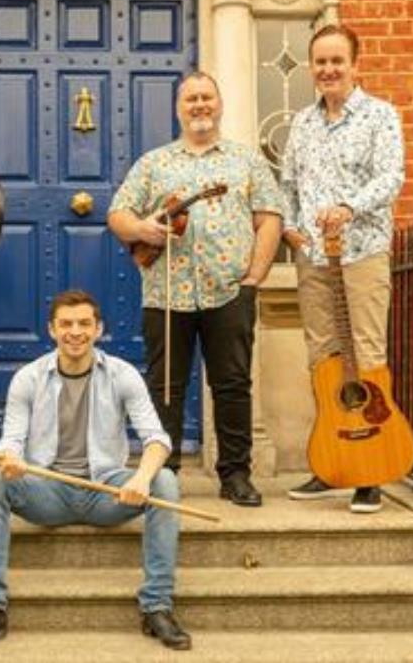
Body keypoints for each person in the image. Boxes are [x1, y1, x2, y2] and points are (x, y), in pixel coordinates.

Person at [0, 290, 191, 653]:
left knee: (166, 480)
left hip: (106, 492)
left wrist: (141, 479)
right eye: (66, 324)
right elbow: (11, 439)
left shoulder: (122, 374)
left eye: (84, 324)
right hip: (48, 490)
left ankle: (157, 605)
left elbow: (157, 438)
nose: (75, 332)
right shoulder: (28, 378)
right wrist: (9, 459)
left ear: (99, 329)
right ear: (52, 330)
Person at [108, 72, 283, 507]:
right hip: (167, 293)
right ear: (179, 109)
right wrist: (143, 228)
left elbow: (269, 219)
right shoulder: (154, 163)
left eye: (207, 98)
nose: (200, 105)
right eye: (191, 100)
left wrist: (253, 279)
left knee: (232, 384)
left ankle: (236, 474)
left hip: (229, 291)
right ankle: (162, 474)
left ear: (219, 105)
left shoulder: (247, 161)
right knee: (165, 385)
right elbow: (118, 214)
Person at [279, 24, 405, 514]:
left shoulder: (380, 117)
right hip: (314, 259)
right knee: (325, 360)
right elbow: (287, 182)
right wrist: (291, 229)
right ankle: (333, 462)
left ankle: (370, 471)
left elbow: (391, 177)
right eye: (321, 62)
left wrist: (348, 207)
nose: (328, 69)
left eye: (337, 61)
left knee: (367, 356)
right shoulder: (303, 124)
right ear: (312, 68)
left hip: (363, 253)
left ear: (356, 64)